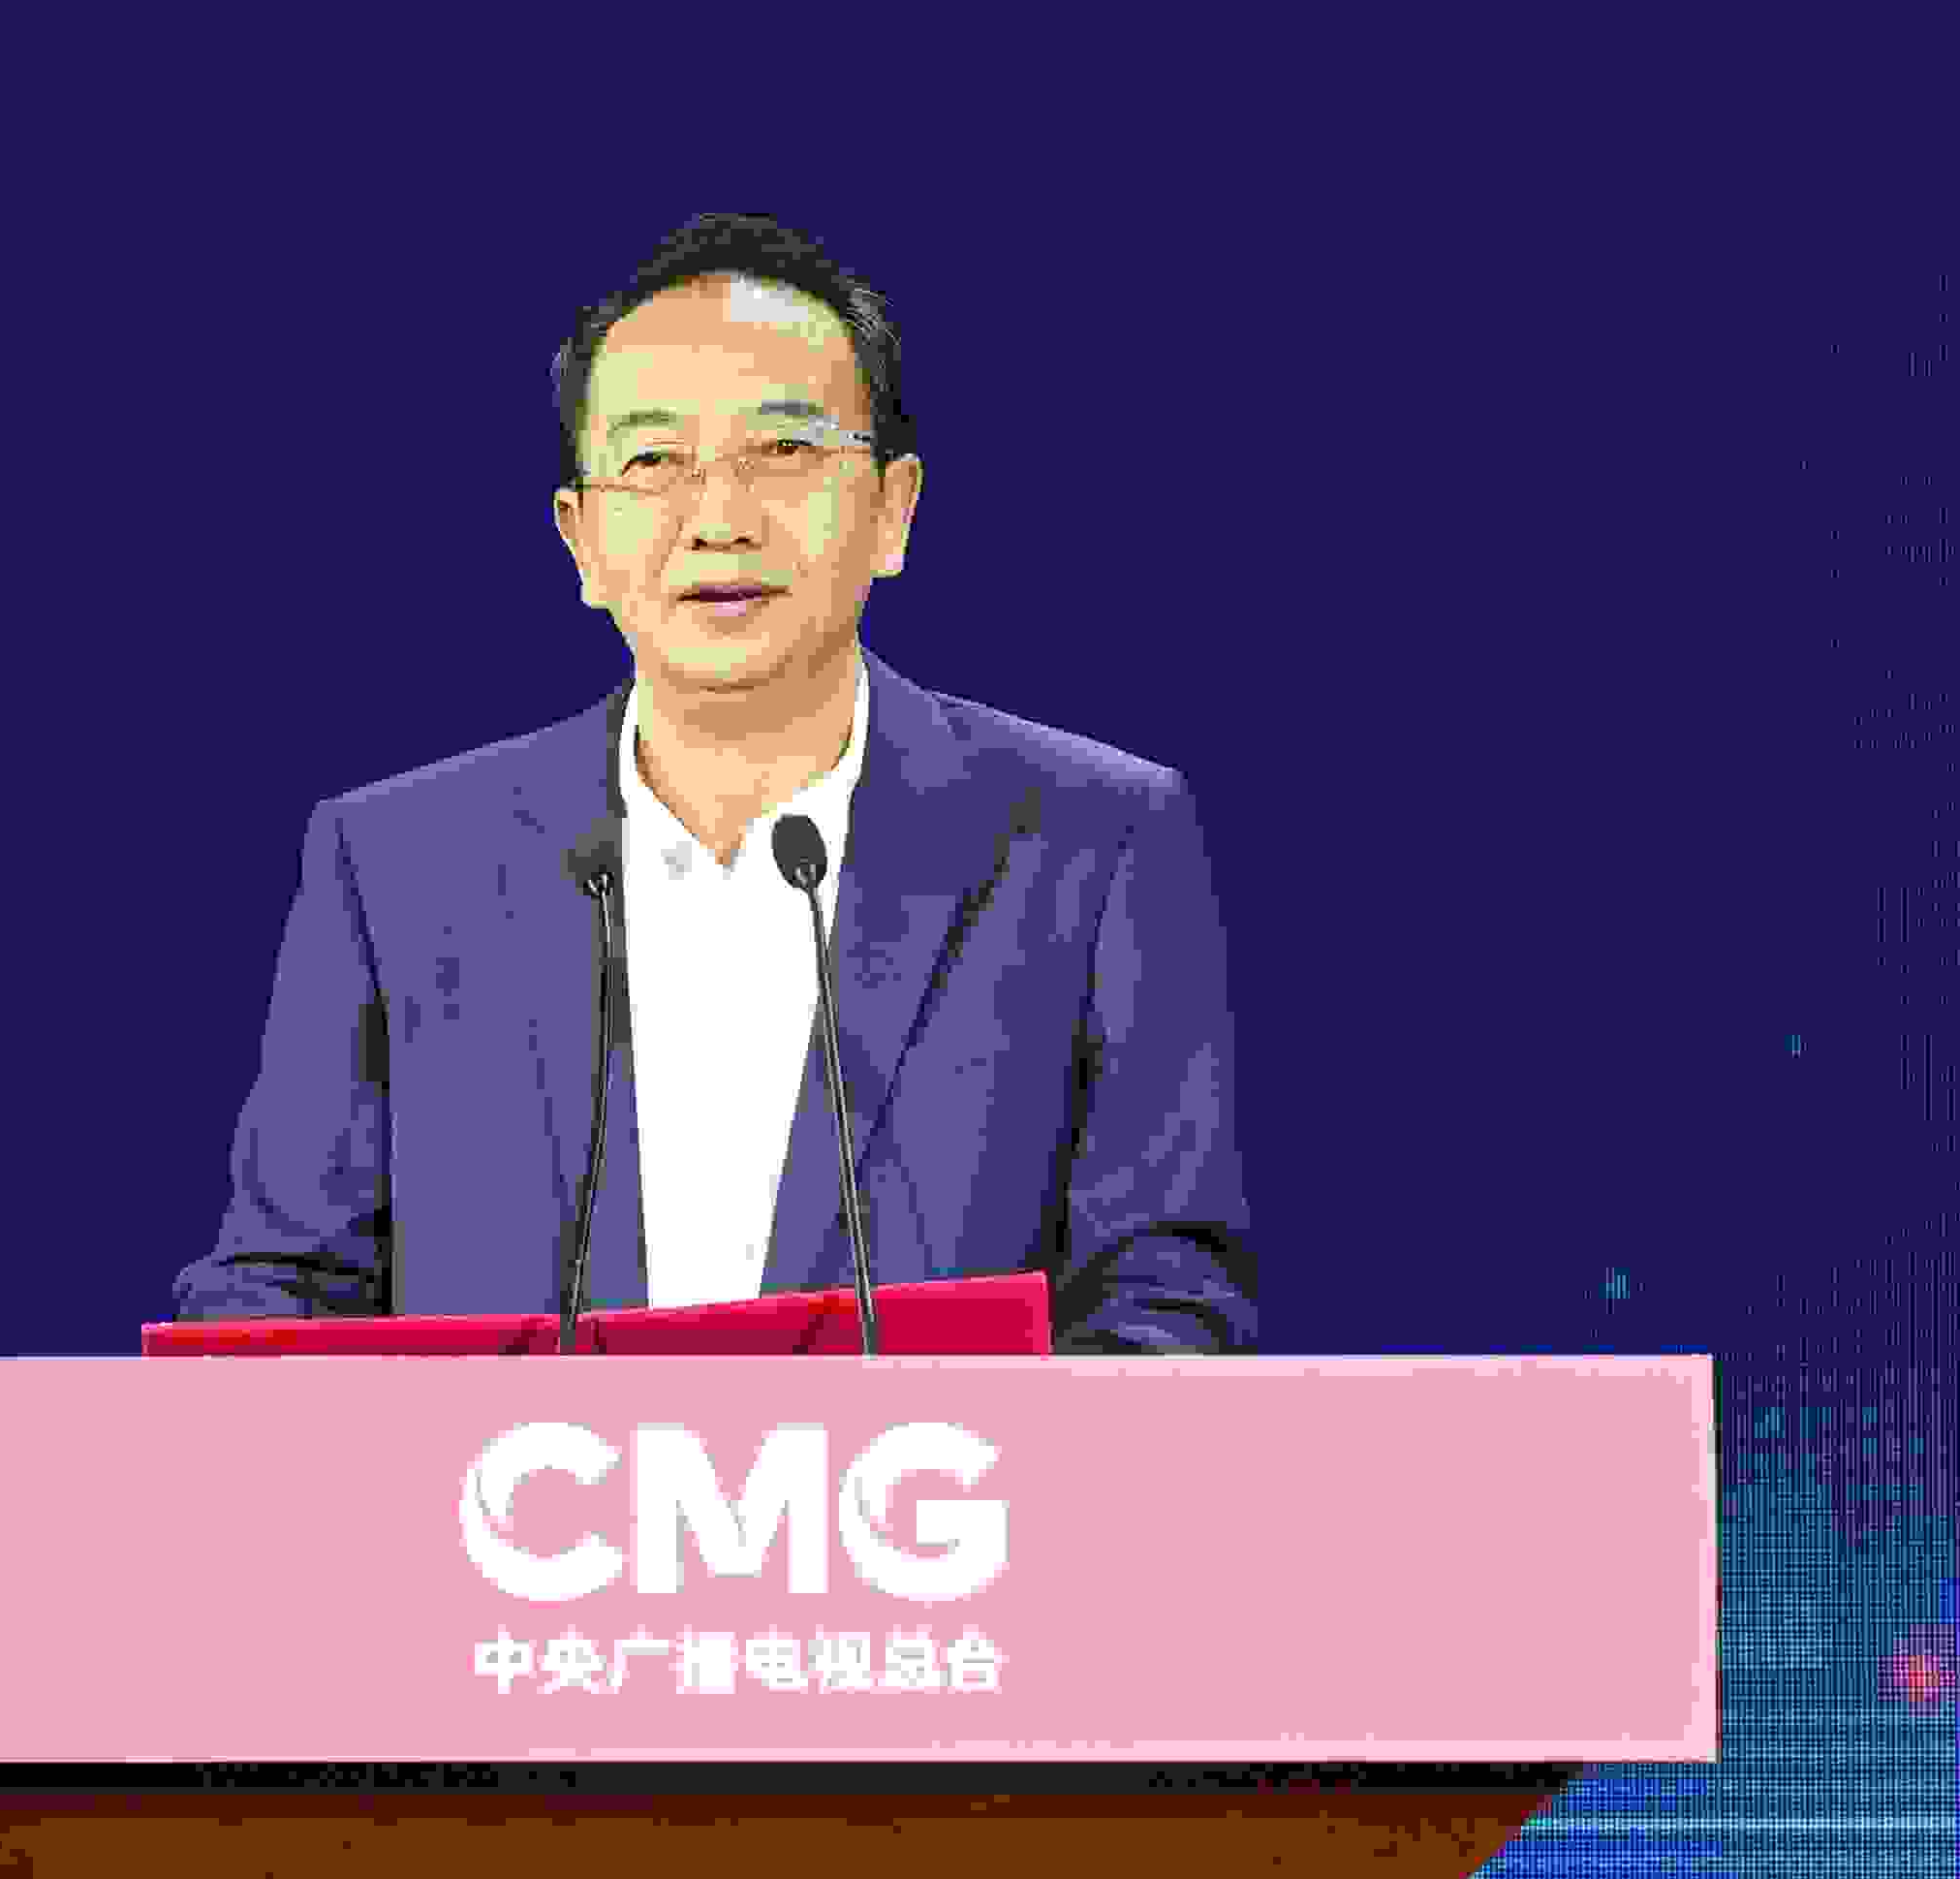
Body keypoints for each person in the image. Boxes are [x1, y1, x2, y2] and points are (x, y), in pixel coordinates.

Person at [170, 212, 1255, 1353]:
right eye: (653, 463)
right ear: (581, 541)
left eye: (782, 452)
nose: (720, 519)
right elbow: (276, 1291)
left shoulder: (1092, 843)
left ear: (892, 512)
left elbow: (1167, 1296)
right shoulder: (397, 867)